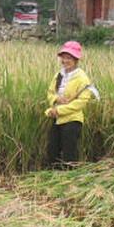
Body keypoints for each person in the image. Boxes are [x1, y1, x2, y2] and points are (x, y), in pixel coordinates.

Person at [44, 40, 98, 169]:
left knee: (69, 153)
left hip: (72, 120)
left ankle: (70, 179)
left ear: (76, 59)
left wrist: (60, 111)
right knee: (52, 150)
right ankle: (54, 178)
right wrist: (56, 99)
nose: (65, 61)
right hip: (57, 119)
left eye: (69, 58)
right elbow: (50, 92)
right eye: (63, 57)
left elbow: (80, 103)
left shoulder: (82, 79)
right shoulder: (59, 75)